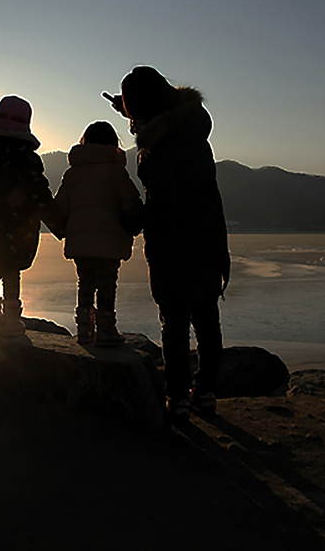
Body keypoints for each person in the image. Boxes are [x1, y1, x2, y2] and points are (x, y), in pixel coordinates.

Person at [105, 66, 230, 421]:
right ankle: (205, 392)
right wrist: (131, 113)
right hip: (208, 239)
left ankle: (177, 398)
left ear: (141, 105)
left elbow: (162, 204)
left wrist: (130, 220)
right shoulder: (192, 131)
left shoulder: (158, 147)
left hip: (174, 248)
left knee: (174, 324)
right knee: (207, 320)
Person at [0, 95, 60, 338]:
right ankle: (11, 319)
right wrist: (61, 225)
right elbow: (40, 194)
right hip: (19, 226)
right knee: (11, 270)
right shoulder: (28, 159)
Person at [53, 121, 143, 346]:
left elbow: (59, 207)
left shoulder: (72, 174)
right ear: (113, 143)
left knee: (85, 282)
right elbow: (130, 203)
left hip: (81, 242)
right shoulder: (117, 172)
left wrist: (63, 230)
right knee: (107, 284)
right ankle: (106, 330)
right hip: (111, 243)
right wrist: (136, 224)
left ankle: (84, 330)